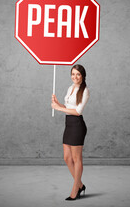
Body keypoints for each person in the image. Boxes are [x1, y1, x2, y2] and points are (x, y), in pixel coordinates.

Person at [51, 64, 90, 201]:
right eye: (73, 74)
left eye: (78, 74)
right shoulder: (70, 88)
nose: (75, 77)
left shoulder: (85, 91)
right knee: (67, 158)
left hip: (77, 126)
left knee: (76, 159)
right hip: (68, 125)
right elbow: (68, 107)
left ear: (83, 76)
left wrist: (59, 109)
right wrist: (58, 104)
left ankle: (75, 189)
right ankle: (80, 184)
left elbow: (77, 111)